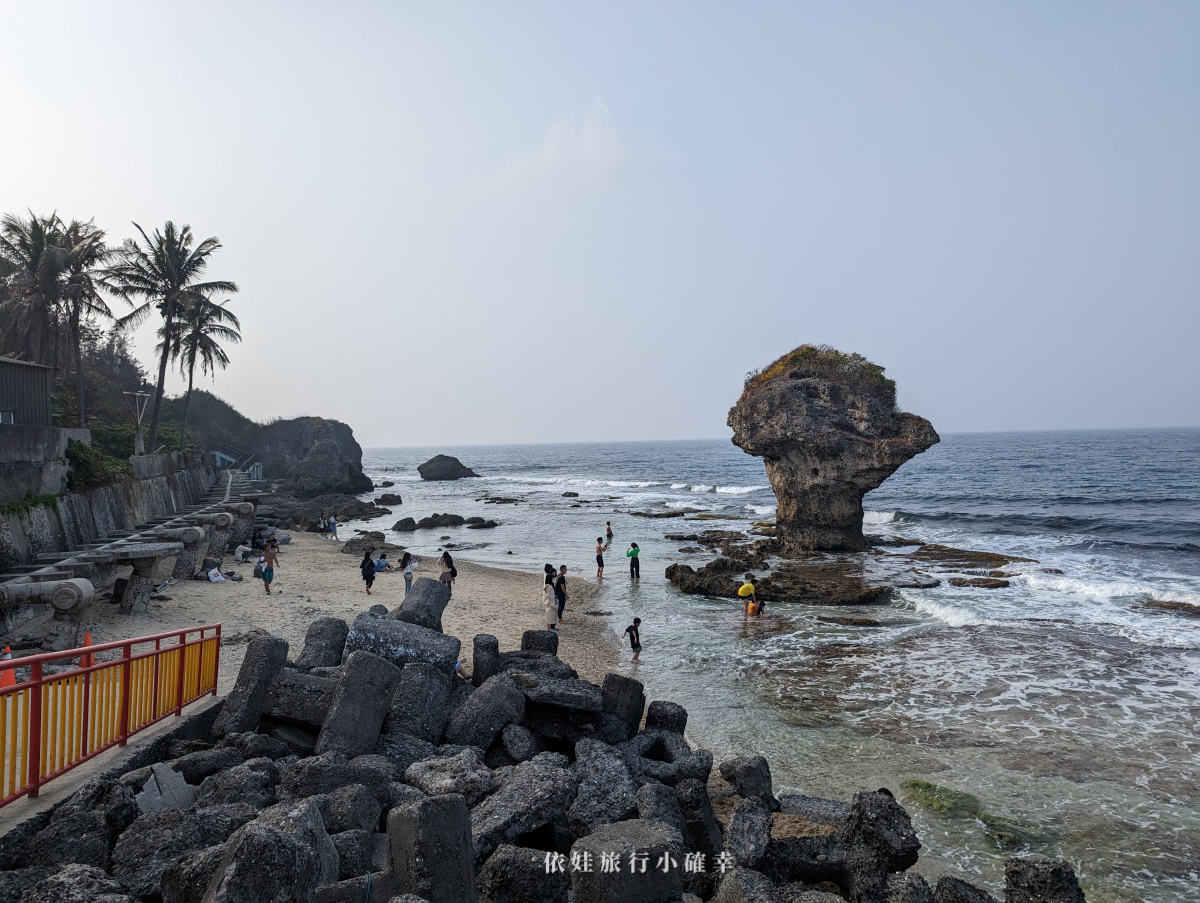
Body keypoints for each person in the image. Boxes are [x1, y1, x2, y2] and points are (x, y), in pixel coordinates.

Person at [543, 564, 559, 631]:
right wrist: (554, 606)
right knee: (550, 617)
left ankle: (550, 628)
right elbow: (550, 597)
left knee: (550, 616)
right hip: (550, 604)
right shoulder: (550, 587)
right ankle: (549, 629)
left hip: (549, 603)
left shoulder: (548, 586)